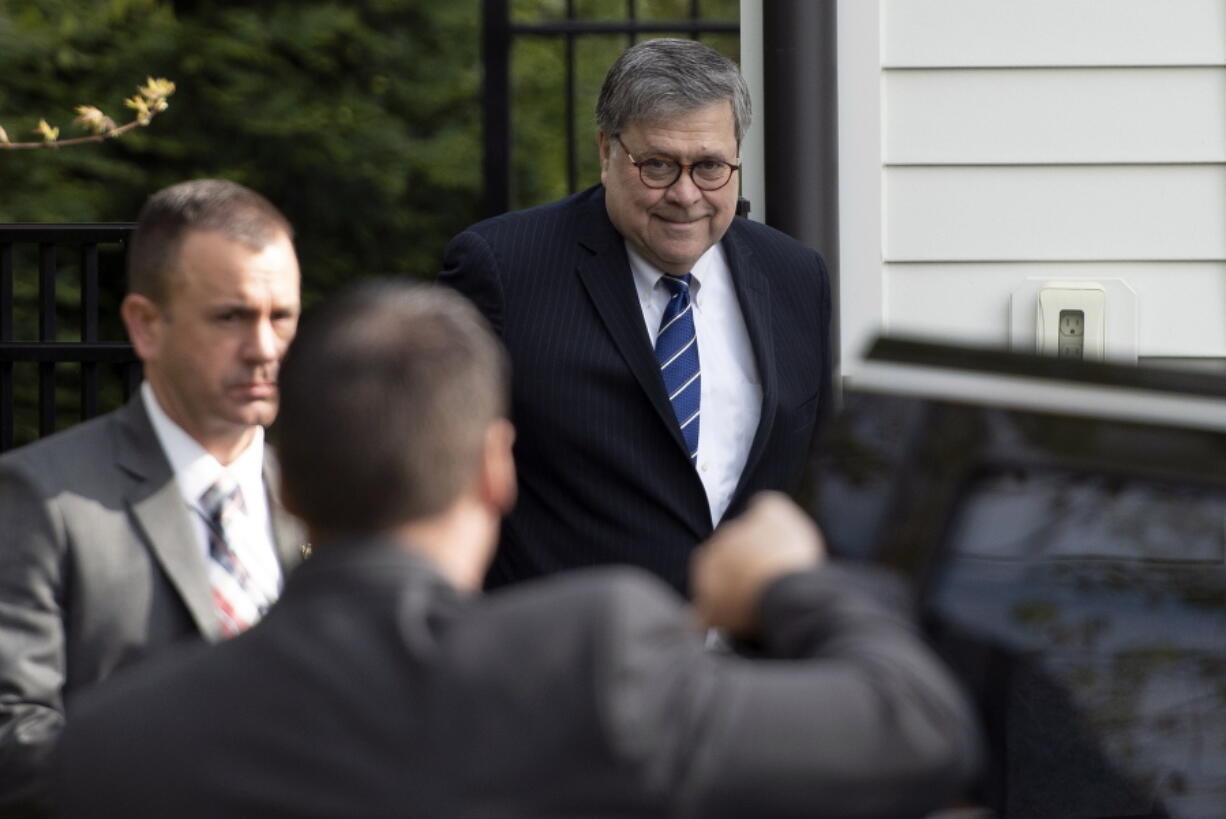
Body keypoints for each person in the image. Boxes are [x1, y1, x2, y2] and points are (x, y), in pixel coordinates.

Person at [56, 281, 978, 818]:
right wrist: (793, 585)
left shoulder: (111, 748)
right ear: (498, 468)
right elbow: (918, 727)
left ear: (284, 485)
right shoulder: (596, 660)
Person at [440, 38, 832, 594]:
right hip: (569, 660)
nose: (685, 193)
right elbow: (436, 478)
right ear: (606, 152)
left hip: (748, 665)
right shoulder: (503, 269)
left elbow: (813, 482)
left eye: (711, 167)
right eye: (657, 166)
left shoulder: (796, 276)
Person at [0, 179, 305, 816]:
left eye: (281, 316)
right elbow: (13, 735)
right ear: (145, 325)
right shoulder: (42, 496)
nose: (264, 349)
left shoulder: (318, 500)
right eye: (231, 316)